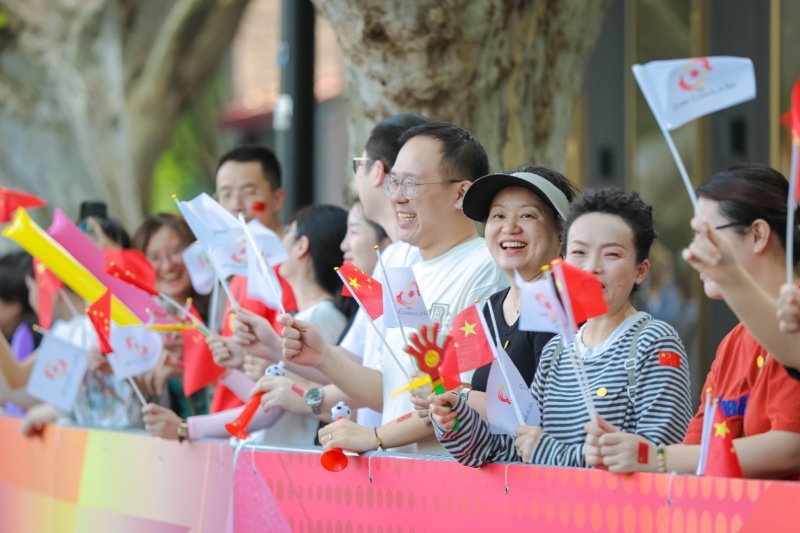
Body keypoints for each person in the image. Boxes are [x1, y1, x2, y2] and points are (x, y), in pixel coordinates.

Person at [280, 121, 508, 455]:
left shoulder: (485, 267)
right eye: (394, 183)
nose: (397, 197)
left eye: (411, 184)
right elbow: (392, 389)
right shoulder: (402, 269)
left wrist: (376, 437)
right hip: (399, 480)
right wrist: (323, 356)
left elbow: (459, 399)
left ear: (461, 193)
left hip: (450, 486)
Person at [431, 188, 692, 467]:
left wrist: (548, 452)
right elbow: (516, 447)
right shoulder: (557, 349)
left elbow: (661, 456)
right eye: (579, 252)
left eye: (612, 255)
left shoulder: (653, 342)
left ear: (641, 270)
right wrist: (457, 421)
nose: (591, 267)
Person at [585, 165, 800, 479]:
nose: (691, 251)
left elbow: (790, 447)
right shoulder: (733, 342)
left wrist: (654, 456)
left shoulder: (792, 318)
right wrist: (626, 450)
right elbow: (698, 447)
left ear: (757, 235)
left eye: (707, 234)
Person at [232, 114, 428, 431]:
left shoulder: (418, 261)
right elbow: (355, 365)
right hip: (383, 459)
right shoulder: (392, 258)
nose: (343, 245)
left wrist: (374, 438)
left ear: (375, 172)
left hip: (408, 460)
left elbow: (401, 385)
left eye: (357, 165)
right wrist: (272, 344)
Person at [142, 205, 356, 445]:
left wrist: (186, 428)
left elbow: (272, 410)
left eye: (287, 231)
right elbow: (271, 401)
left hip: (294, 459)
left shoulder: (320, 318)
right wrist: (226, 370)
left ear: (301, 246)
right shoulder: (310, 315)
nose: (281, 238)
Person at [407, 165, 578, 427]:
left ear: (562, 234)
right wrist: (439, 399)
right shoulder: (489, 309)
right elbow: (475, 400)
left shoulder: (557, 306)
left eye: (528, 216)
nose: (509, 228)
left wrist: (457, 397)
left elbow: (542, 410)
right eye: (497, 216)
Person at [208, 145, 298, 413]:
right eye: (226, 194)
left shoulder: (292, 266)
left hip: (270, 422)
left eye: (249, 192)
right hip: (233, 419)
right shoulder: (236, 268)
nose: (235, 205)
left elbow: (297, 355)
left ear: (277, 199)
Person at [131, 214, 210, 417]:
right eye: (155, 258)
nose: (167, 266)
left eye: (176, 251)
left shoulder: (222, 310)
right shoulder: (145, 324)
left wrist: (191, 368)